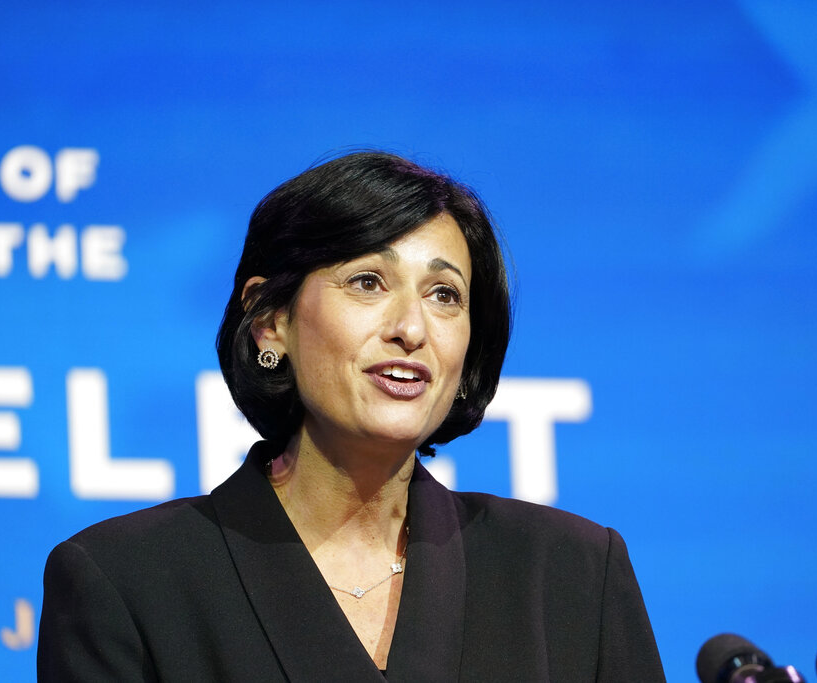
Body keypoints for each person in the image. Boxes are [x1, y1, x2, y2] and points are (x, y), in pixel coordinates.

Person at [37, 151, 665, 681]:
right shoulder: (127, 581)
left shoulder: (572, 573)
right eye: (368, 282)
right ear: (270, 320)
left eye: (444, 295)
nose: (411, 329)